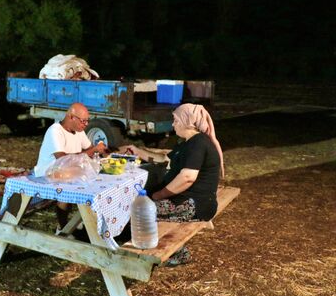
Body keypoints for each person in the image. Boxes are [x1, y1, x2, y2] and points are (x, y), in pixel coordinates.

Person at [120, 103, 224, 265]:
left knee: (134, 209)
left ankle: (144, 253)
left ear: (186, 121)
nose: (173, 124)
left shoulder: (198, 144)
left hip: (193, 205)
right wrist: (137, 151)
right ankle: (174, 251)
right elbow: (164, 160)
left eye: (175, 120)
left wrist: (157, 196)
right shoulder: (187, 143)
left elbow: (187, 177)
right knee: (139, 203)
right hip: (190, 201)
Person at [34, 102, 107, 234]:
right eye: (83, 121)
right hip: (49, 173)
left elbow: (89, 148)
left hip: (68, 169)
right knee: (74, 185)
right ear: (71, 117)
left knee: (92, 180)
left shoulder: (78, 131)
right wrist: (92, 151)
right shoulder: (55, 131)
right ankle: (62, 228)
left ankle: (83, 221)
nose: (86, 124)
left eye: (87, 121)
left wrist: (100, 150)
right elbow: (62, 159)